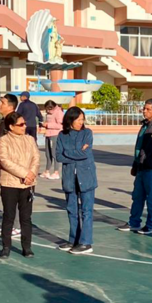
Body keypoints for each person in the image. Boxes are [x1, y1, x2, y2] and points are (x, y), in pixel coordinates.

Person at [118, 99, 152, 235]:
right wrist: (135, 164)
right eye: (144, 108)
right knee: (137, 196)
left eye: (148, 109)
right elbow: (139, 147)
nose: (144, 111)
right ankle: (134, 222)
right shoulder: (144, 126)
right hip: (141, 166)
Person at [0, 112, 39, 259]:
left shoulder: (30, 139)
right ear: (11, 126)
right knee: (9, 216)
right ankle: (6, 247)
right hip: (10, 184)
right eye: (21, 124)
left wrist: (31, 174)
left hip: (28, 184)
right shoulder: (3, 141)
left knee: (26, 218)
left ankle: (27, 247)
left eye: (24, 123)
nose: (24, 126)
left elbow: (36, 158)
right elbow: (4, 161)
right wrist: (25, 174)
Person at [55, 107, 96, 255]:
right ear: (70, 120)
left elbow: (85, 153)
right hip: (69, 178)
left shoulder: (87, 133)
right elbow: (59, 156)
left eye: (82, 119)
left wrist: (69, 152)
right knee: (72, 210)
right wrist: (76, 152)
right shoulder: (62, 135)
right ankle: (74, 239)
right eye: (78, 119)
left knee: (87, 211)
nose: (81, 122)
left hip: (86, 177)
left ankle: (86, 242)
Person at [0, 93, 21, 238]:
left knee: (12, 195)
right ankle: (10, 223)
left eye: (2, 103)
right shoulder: (4, 121)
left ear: (10, 106)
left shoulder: (15, 122)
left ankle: (16, 226)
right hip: (3, 164)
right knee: (6, 195)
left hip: (11, 164)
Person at [42, 100, 65, 180]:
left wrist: (48, 125)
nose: (48, 111)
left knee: (54, 154)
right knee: (47, 154)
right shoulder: (49, 112)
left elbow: (59, 125)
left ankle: (56, 172)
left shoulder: (58, 112)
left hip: (55, 134)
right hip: (48, 134)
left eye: (49, 109)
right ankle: (47, 170)